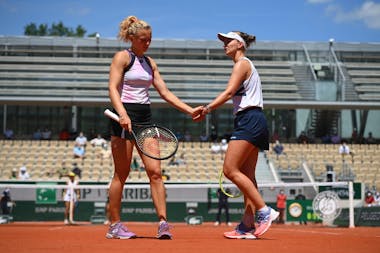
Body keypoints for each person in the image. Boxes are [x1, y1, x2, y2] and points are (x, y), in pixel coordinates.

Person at [106, 16, 202, 240]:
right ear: (132, 38)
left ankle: (163, 223)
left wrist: (189, 111)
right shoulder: (123, 57)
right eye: (143, 40)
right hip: (123, 117)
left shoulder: (150, 62)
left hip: (145, 120)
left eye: (150, 40)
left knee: (156, 173)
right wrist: (122, 113)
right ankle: (115, 225)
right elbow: (112, 87)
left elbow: (165, 93)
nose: (147, 43)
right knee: (121, 174)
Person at [194, 31, 279, 239]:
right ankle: (247, 225)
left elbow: (229, 92)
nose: (224, 44)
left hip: (249, 119)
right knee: (248, 176)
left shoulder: (241, 64)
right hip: (254, 119)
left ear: (239, 44)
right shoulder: (244, 64)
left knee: (230, 170)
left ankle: (264, 210)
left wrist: (207, 109)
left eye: (227, 41)